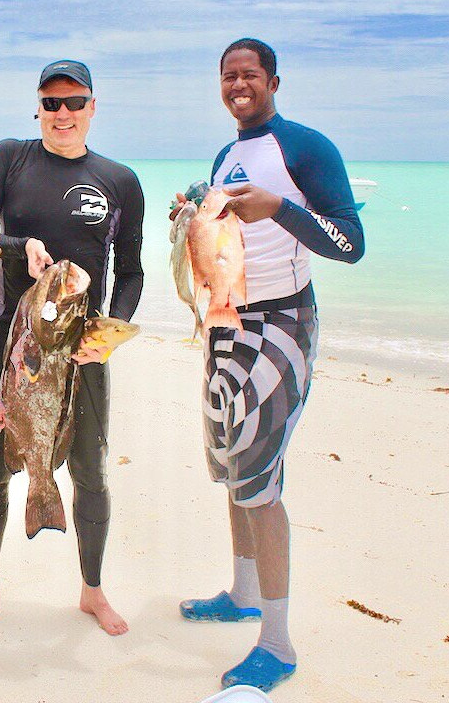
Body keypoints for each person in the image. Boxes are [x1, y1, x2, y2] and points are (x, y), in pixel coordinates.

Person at [171, 38, 365, 692]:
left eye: (249, 74)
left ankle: (277, 646)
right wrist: (192, 214)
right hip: (229, 322)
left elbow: (350, 243)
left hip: (282, 326)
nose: (238, 84)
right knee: (230, 466)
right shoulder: (227, 155)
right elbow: (224, 236)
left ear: (273, 80)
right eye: (228, 75)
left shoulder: (306, 148)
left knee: (261, 480)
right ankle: (243, 593)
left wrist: (282, 208)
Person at [0, 59, 144, 640]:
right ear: (37, 107)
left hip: (80, 352)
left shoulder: (119, 180)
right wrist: (20, 248)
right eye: (51, 102)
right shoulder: (8, 159)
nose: (62, 113)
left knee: (90, 470)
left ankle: (92, 591)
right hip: (14, 346)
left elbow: (132, 273)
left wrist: (109, 336)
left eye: (75, 101)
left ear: (93, 108)